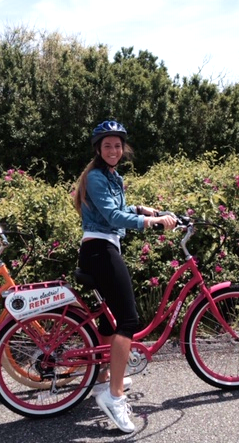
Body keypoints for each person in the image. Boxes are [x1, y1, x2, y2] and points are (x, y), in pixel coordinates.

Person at [73, 121, 176, 433]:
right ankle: (114, 398)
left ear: (123, 148)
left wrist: (144, 210)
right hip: (99, 250)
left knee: (109, 319)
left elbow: (120, 208)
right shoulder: (94, 176)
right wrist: (151, 224)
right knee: (128, 322)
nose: (114, 150)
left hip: (103, 249)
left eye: (117, 146)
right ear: (98, 149)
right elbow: (113, 217)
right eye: (108, 146)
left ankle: (105, 377)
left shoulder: (111, 176)